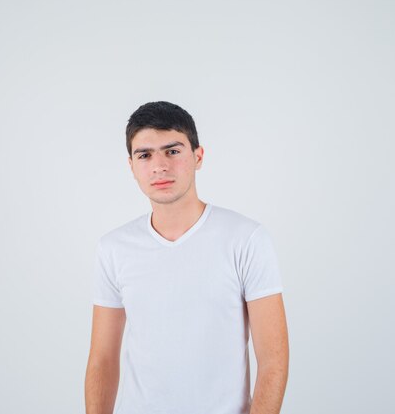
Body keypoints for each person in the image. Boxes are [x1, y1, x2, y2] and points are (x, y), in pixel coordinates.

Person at [84, 101, 289, 414]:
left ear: (198, 156)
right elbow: (102, 359)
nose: (159, 166)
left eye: (173, 151)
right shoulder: (114, 248)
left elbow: (274, 360)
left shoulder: (246, 239)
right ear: (132, 166)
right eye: (145, 154)